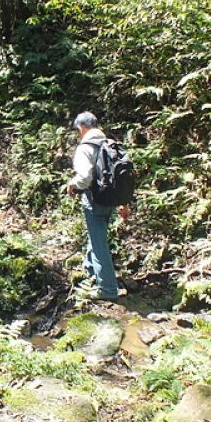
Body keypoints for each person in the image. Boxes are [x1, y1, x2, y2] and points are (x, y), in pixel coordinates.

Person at [66, 111, 130, 302]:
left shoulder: (85, 148)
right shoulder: (110, 144)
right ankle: (90, 271)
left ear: (81, 127)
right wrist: (124, 204)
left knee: (99, 244)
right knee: (97, 236)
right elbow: (122, 175)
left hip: (94, 200)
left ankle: (108, 289)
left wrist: (72, 184)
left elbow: (85, 177)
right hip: (111, 199)